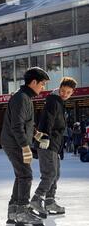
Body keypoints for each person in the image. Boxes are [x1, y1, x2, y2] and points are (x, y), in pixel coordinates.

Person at [1, 67, 49, 226]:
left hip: (15, 142)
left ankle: (14, 210)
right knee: (26, 175)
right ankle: (22, 211)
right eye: (42, 84)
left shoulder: (25, 97)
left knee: (21, 175)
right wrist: (24, 146)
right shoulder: (21, 98)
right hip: (14, 143)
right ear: (33, 82)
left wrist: (37, 135)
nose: (43, 87)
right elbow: (16, 126)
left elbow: (26, 124)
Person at [30, 77, 77, 217]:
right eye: (63, 90)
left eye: (68, 92)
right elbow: (47, 120)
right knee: (49, 174)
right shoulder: (53, 101)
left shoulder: (59, 102)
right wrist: (44, 137)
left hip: (54, 145)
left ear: (72, 93)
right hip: (47, 143)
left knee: (55, 175)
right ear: (59, 88)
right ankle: (36, 200)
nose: (65, 94)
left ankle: (50, 201)